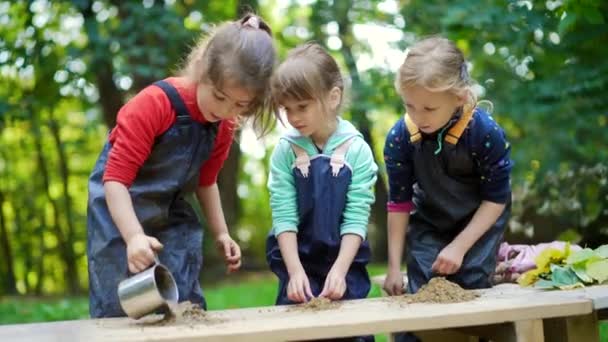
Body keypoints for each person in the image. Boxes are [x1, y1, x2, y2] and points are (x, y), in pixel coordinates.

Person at [87, 14, 277, 318]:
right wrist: (133, 236)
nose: (225, 110)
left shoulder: (224, 126)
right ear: (202, 68)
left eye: (241, 105)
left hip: (168, 208)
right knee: (118, 298)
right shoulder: (153, 105)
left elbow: (206, 182)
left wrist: (222, 233)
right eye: (219, 96)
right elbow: (115, 179)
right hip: (117, 207)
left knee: (183, 294)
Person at [382, 36, 513, 341]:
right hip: (430, 219)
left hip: (479, 222)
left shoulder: (485, 132)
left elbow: (497, 199)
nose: (417, 116)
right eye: (409, 105)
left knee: (471, 279)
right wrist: (392, 267)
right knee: (423, 285)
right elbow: (399, 204)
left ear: (460, 98)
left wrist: (459, 246)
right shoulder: (401, 137)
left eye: (429, 108)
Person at [266, 42, 377, 313]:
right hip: (297, 258)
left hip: (345, 260)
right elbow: (284, 215)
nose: (293, 117)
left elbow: (356, 217)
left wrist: (340, 271)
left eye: (302, 107)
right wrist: (294, 272)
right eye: (286, 109)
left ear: (333, 97)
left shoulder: (357, 150)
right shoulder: (285, 151)